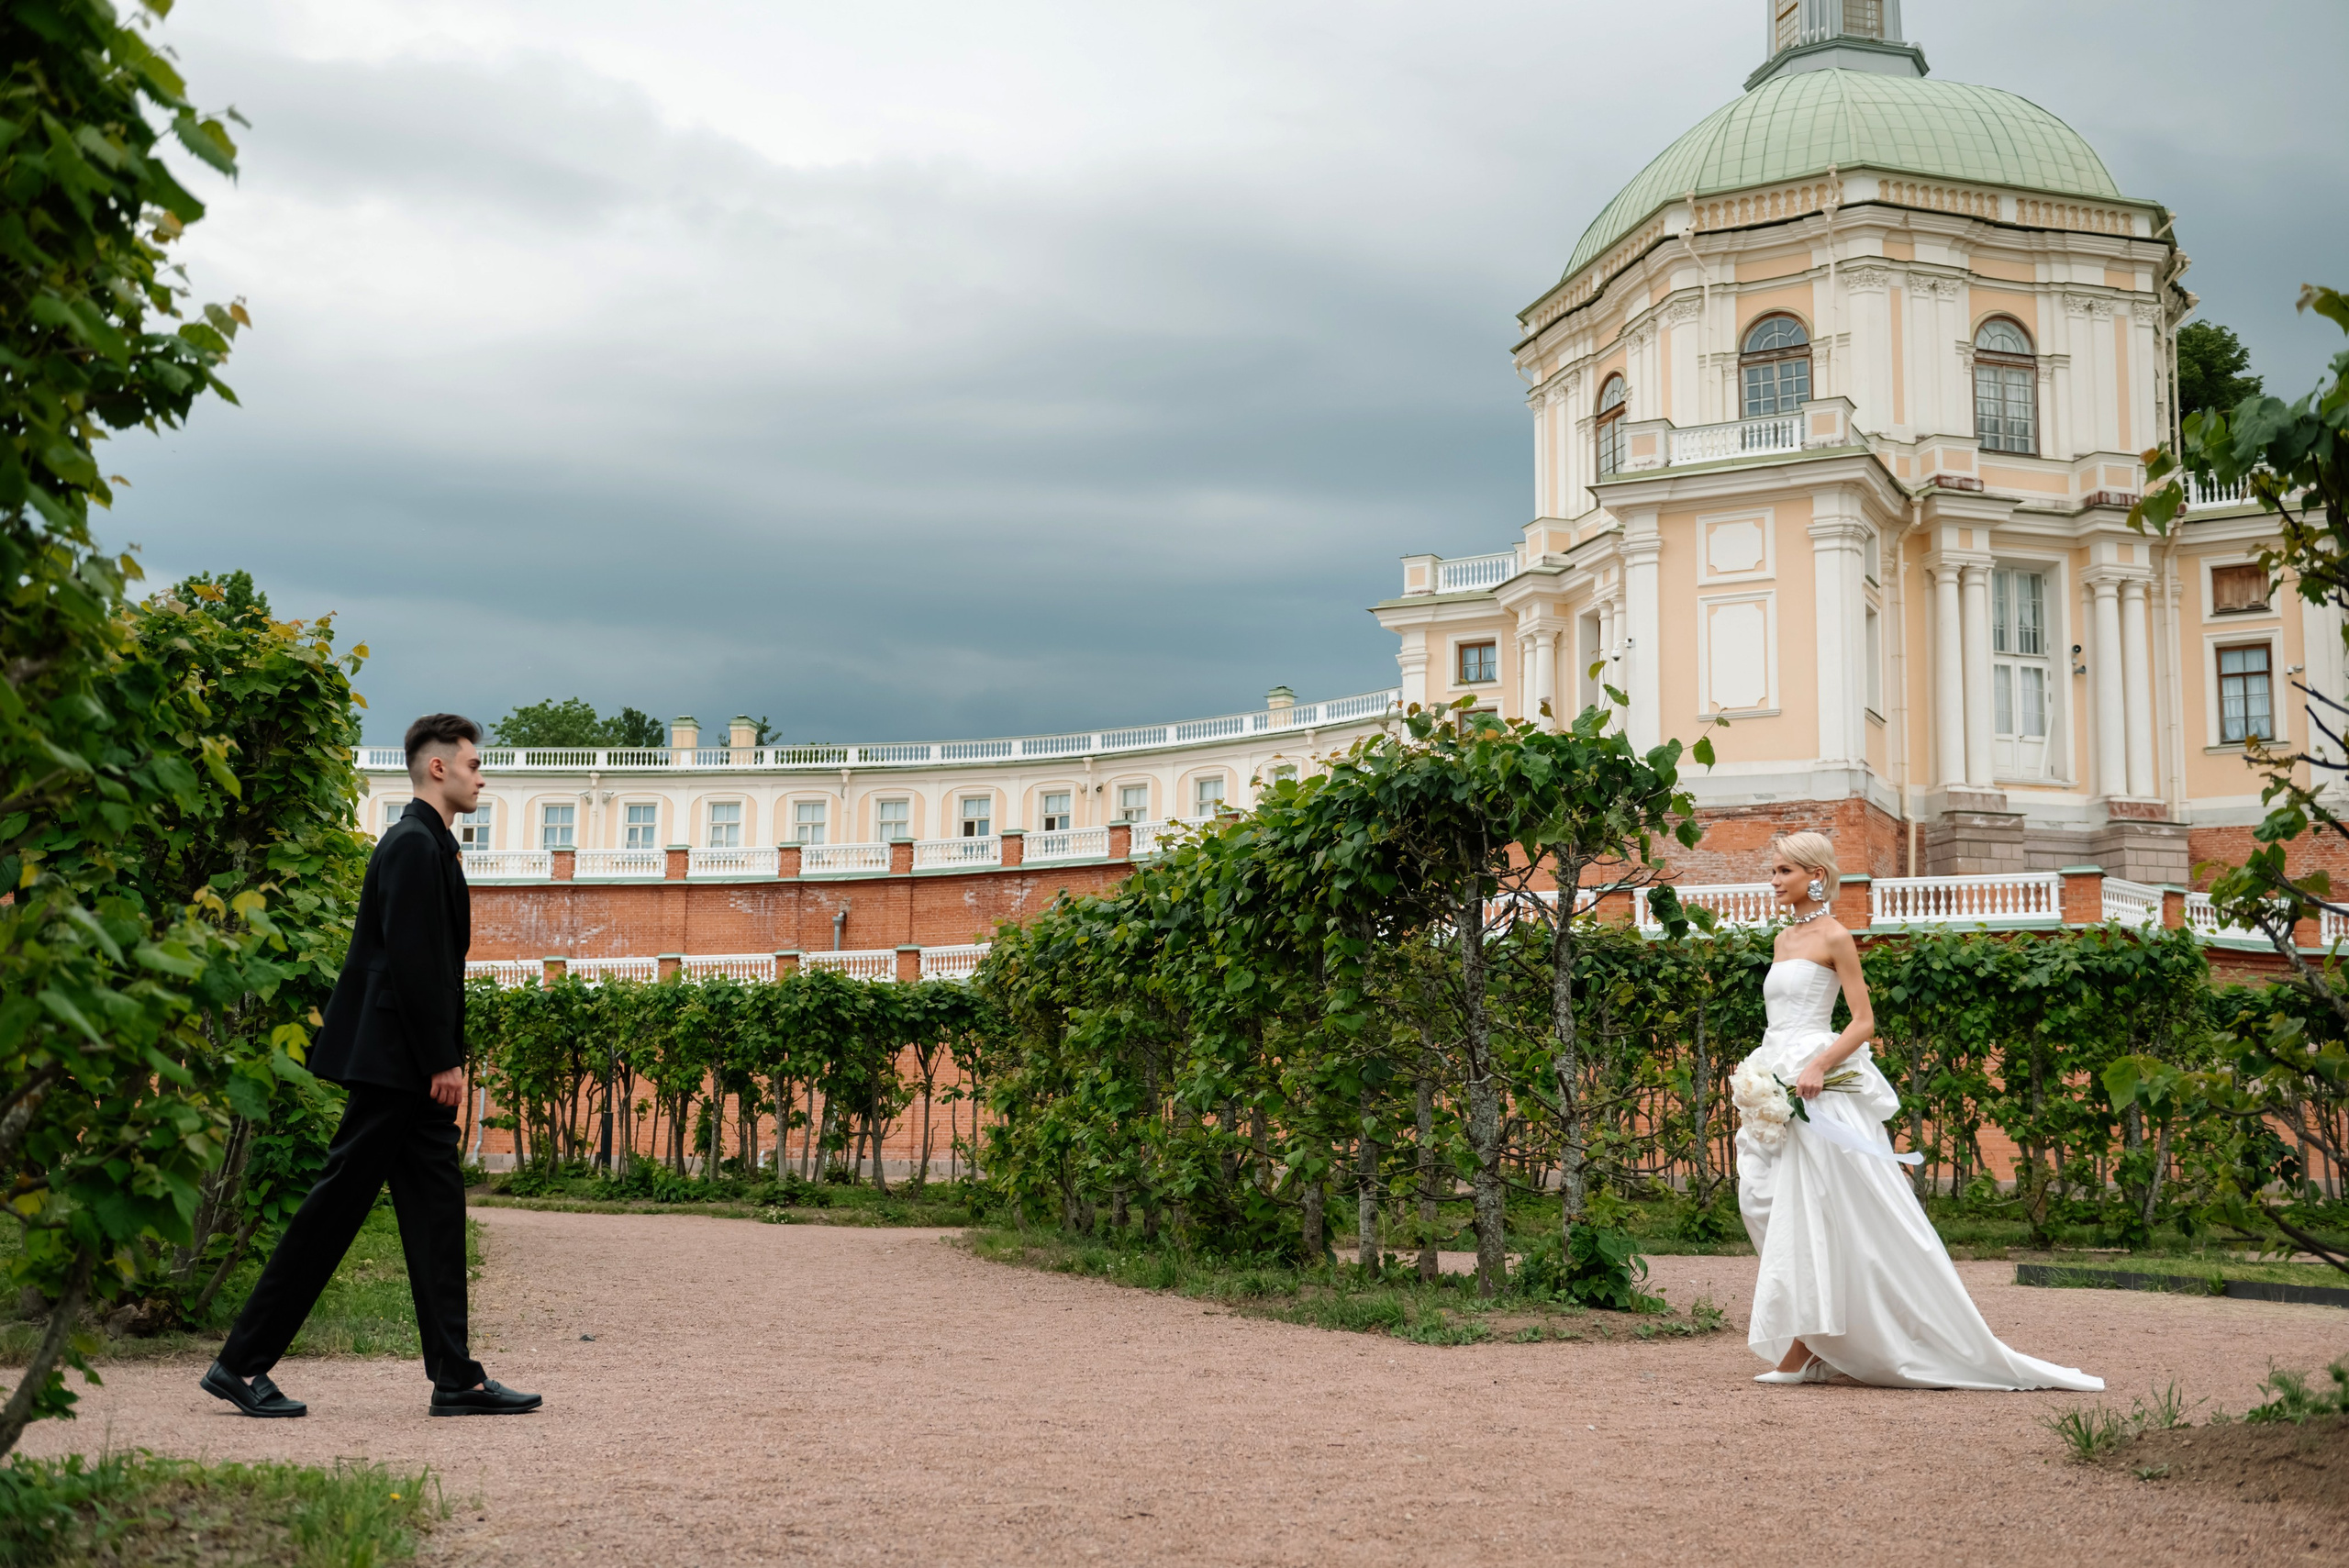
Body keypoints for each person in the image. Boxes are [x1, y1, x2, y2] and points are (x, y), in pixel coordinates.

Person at [202, 714, 540, 1418]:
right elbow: (416, 966)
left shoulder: (430, 845)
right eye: (474, 764)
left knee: (437, 1212)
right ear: (437, 768)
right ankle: (239, 1363)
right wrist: (442, 1059)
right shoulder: (413, 844)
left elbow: (433, 966)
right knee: (333, 1210)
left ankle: (456, 1374)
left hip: (405, 1064)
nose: (483, 776)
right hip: (398, 1065)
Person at [1734, 831, 2100, 1392]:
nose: (1775, 879)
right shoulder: (1783, 937)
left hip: (1818, 1084)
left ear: (1814, 874)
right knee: (1763, 1200)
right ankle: (1812, 1337)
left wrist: (1818, 1067)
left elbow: (1863, 1021)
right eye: (1774, 870)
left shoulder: (1835, 935)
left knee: (1823, 1211)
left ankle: (1806, 1348)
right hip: (1777, 1074)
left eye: (1784, 870)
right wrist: (1765, 1074)